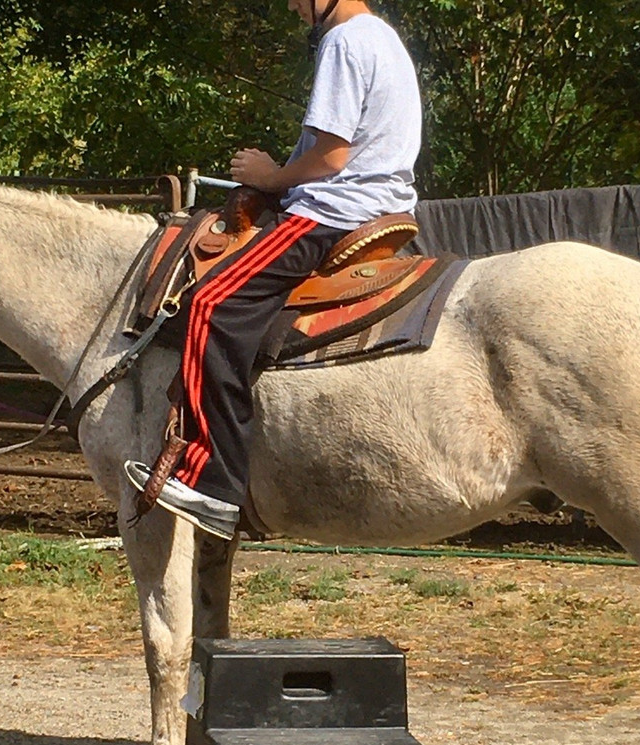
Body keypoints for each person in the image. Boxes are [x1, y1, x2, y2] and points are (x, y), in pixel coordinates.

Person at [125, 0, 422, 539]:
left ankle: (212, 483)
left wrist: (272, 174)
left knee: (212, 303)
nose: (291, 6)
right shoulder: (383, 39)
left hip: (333, 212)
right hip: (376, 203)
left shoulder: (344, 41)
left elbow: (331, 158)